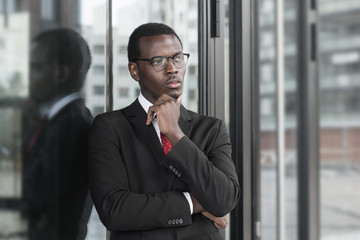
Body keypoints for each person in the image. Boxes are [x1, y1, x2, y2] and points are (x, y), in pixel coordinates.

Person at [88, 23, 240, 240]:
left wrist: (175, 134)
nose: (172, 68)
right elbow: (115, 210)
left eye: (177, 58)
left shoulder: (211, 129)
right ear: (134, 71)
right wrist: (194, 203)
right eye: (158, 61)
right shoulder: (110, 127)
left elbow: (224, 199)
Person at [22, 28, 93, 240]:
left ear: (61, 73)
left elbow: (30, 200)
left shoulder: (71, 127)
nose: (28, 77)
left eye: (35, 68)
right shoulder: (53, 120)